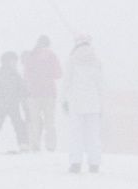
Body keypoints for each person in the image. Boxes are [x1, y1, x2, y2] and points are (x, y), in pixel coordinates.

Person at [62, 35, 105, 173]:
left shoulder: (72, 61)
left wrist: (63, 100)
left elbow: (66, 83)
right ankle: (94, 164)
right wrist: (102, 104)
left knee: (76, 134)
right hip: (94, 103)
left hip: (76, 102)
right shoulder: (96, 61)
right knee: (93, 135)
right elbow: (100, 85)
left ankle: (75, 163)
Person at [21, 35, 63, 152]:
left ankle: (34, 144)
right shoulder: (52, 56)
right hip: (49, 93)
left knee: (34, 121)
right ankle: (50, 146)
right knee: (50, 121)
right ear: (48, 44)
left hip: (33, 93)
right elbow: (59, 74)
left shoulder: (30, 56)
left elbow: (26, 75)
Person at [0, 51, 27, 152]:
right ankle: (23, 143)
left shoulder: (1, 74)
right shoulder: (14, 75)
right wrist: (22, 94)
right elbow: (21, 88)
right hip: (10, 103)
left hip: (4, 103)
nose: (15, 63)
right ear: (7, 62)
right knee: (17, 124)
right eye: (13, 61)